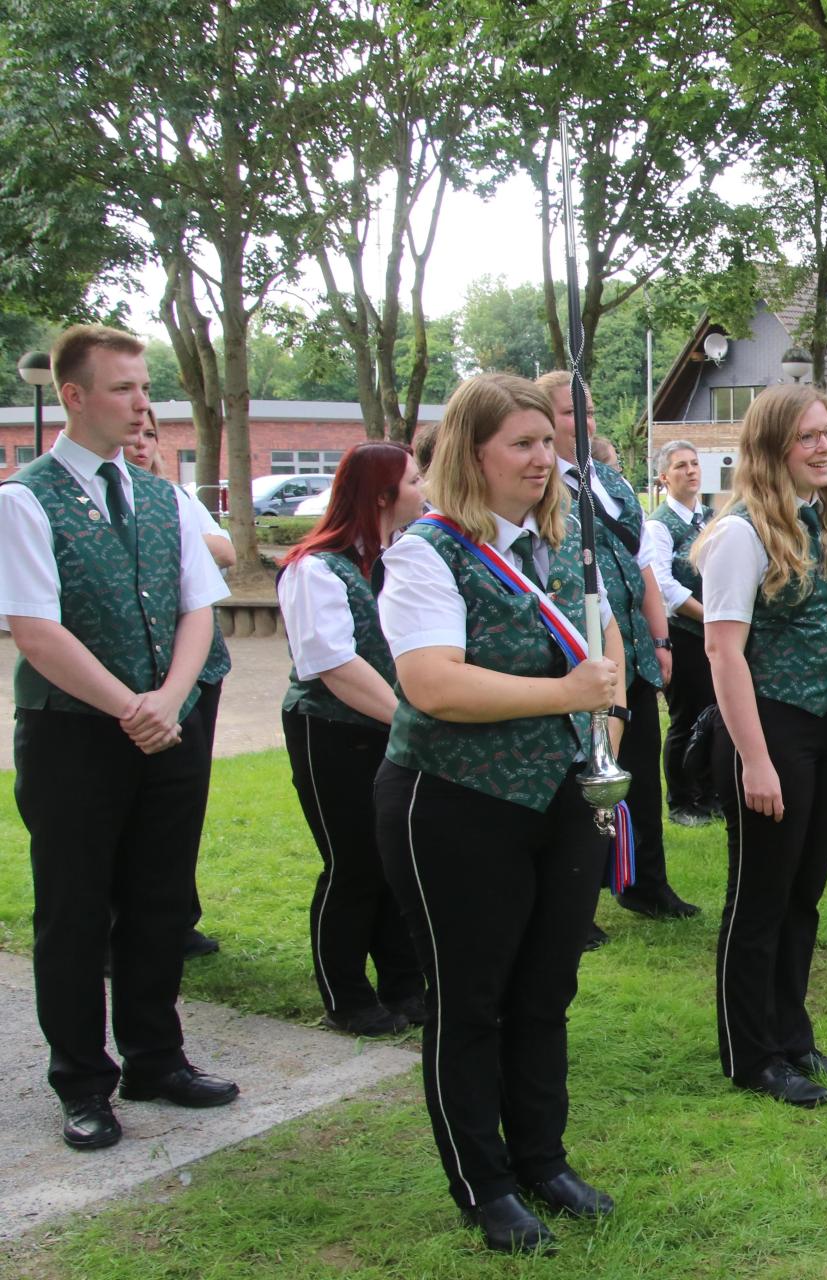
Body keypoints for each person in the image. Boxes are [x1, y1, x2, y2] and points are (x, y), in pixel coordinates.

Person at [374, 372, 622, 1253]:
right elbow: (432, 682)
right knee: (470, 999)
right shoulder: (424, 554)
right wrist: (564, 688)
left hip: (552, 796)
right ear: (469, 453)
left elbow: (599, 644)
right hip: (454, 802)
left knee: (546, 989)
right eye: (522, 444)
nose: (543, 460)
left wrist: (606, 699)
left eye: (548, 443)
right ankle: (485, 1185)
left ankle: (543, 1160)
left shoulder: (540, 546)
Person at [0, 324, 238, 1153]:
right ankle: (81, 1080)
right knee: (74, 911)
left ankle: (155, 1057)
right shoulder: (23, 500)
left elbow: (197, 607)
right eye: (125, 388)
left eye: (144, 387)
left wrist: (169, 700)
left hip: (169, 725)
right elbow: (35, 628)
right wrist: (129, 707)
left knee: (159, 898)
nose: (143, 403)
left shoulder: (162, 496)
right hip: (74, 736)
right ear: (73, 396)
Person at [692, 383, 827, 1107]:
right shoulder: (743, 533)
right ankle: (752, 1053)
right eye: (807, 436)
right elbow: (723, 653)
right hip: (770, 726)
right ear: (772, 448)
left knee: (805, 895)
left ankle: (792, 1034)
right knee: (760, 900)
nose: (825, 446)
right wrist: (756, 759)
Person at [536, 371, 695, 931]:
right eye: (568, 414)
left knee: (639, 774)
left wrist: (659, 637)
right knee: (582, 771)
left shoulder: (609, 480)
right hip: (576, 652)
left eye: (590, 412)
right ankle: (576, 900)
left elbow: (642, 563)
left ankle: (645, 884)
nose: (585, 424)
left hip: (634, 646)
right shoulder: (535, 483)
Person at [277, 441, 427, 1036]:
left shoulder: (403, 558)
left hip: (393, 728)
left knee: (396, 861)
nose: (425, 490)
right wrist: (411, 720)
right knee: (353, 863)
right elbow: (334, 664)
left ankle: (403, 983)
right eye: (415, 481)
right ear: (383, 495)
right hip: (334, 733)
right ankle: (346, 995)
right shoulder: (315, 567)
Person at [130, 410, 233, 959]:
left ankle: (176, 917)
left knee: (181, 802)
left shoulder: (173, 498)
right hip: (132, 681)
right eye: (134, 432)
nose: (142, 443)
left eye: (151, 434)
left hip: (196, 671)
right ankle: (121, 924)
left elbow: (226, 553)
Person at [646, 439, 719, 828]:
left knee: (714, 714)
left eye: (694, 463)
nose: (690, 471)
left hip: (714, 631)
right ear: (663, 478)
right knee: (685, 717)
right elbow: (664, 587)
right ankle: (682, 800)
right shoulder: (659, 524)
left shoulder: (708, 517)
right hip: (684, 632)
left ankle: (709, 792)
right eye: (680, 466)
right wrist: (709, 616)